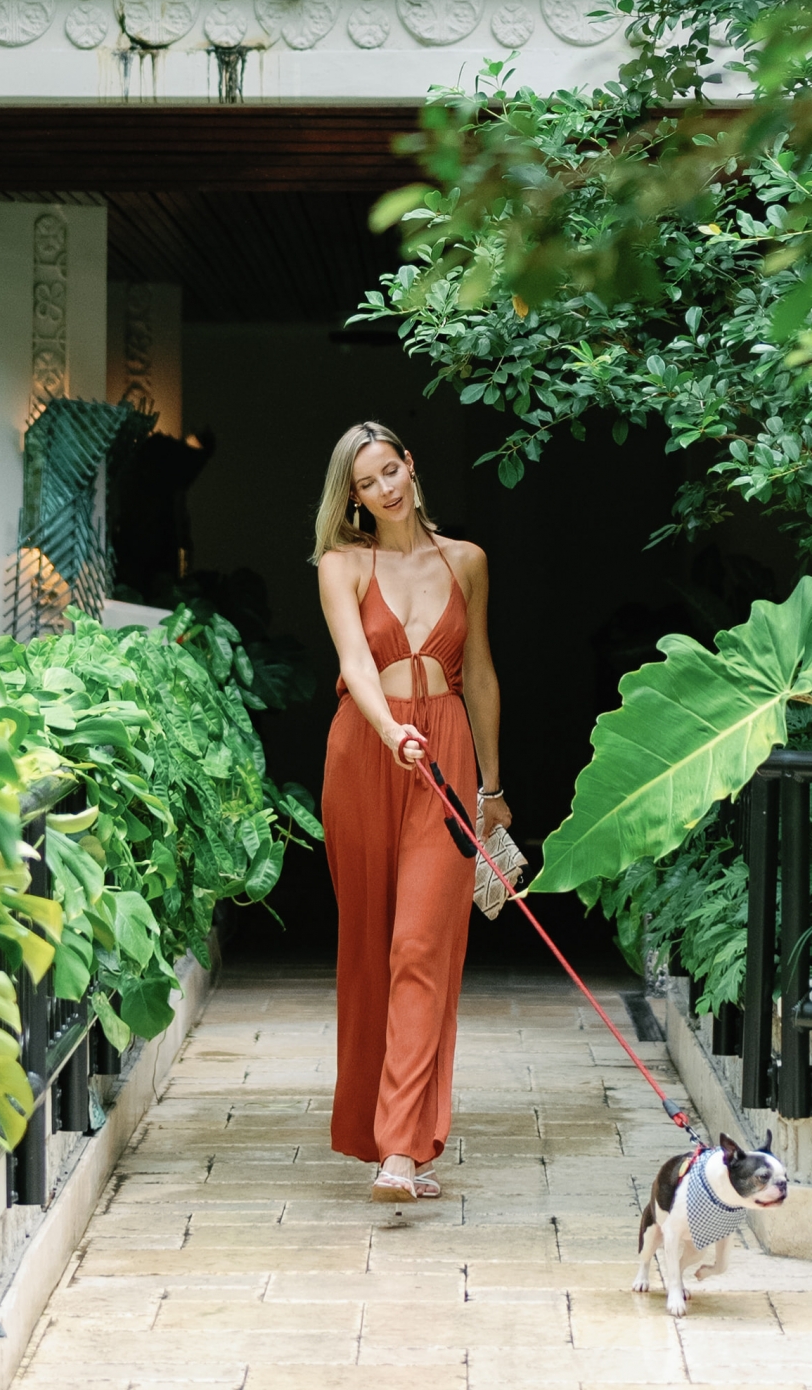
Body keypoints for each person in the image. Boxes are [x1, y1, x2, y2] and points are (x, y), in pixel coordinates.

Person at [312, 421, 510, 1202]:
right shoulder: (342, 564)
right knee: (370, 946)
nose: (385, 489)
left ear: (410, 466)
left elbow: (483, 675)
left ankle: (401, 1149)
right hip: (367, 753)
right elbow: (355, 661)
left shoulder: (468, 561)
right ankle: (378, 1132)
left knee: (420, 945)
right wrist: (390, 727)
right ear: (352, 497)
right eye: (366, 482)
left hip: (450, 754)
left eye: (390, 470)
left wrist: (492, 789)